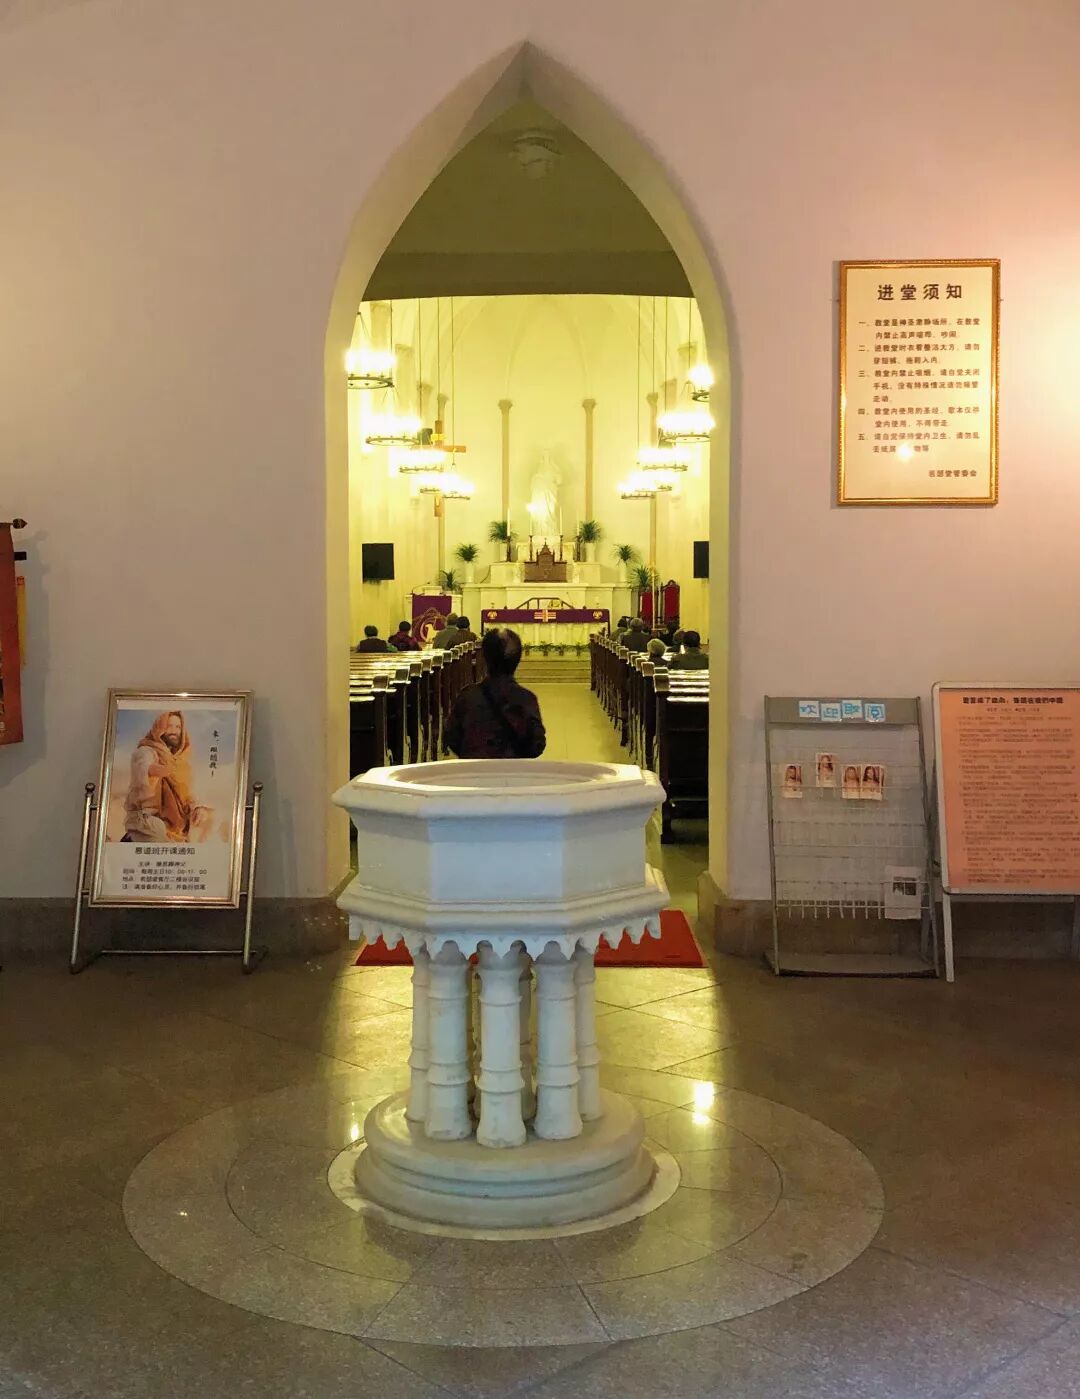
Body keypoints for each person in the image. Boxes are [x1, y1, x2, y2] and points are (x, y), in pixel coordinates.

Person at [445, 628, 546, 760]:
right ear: (518, 659)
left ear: (484, 657)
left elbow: (452, 737)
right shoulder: (526, 699)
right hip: (514, 770)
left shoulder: (468, 697)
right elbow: (537, 744)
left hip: (475, 769)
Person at [121, 711, 214, 843]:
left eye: (178, 727)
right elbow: (143, 768)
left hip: (178, 827)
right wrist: (156, 770)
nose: (174, 731)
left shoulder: (182, 763)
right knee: (157, 829)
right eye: (169, 726)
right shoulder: (146, 751)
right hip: (149, 821)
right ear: (159, 728)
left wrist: (198, 808)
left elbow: (188, 793)